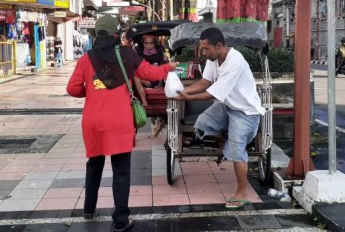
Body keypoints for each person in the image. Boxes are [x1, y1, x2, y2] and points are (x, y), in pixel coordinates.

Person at [66, 15, 177, 232]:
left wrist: (90, 89)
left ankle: (88, 209)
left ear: (97, 33)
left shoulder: (87, 58)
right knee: (121, 170)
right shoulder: (126, 54)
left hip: (93, 121)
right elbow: (151, 73)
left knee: (94, 164)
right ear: (117, 33)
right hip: (118, 120)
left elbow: (72, 88)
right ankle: (120, 221)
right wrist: (169, 67)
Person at [174, 27, 264, 209]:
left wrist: (188, 98)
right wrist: (183, 91)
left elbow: (211, 92)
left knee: (237, 152)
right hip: (227, 106)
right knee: (202, 123)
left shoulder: (235, 62)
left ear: (219, 45)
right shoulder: (214, 59)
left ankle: (242, 193)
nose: (203, 52)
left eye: (206, 49)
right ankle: (224, 143)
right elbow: (205, 82)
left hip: (246, 113)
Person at [134, 35, 167, 136]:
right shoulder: (138, 52)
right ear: (143, 44)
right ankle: (144, 102)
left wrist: (160, 85)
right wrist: (144, 79)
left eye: (151, 43)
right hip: (143, 80)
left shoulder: (160, 52)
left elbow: (162, 68)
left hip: (157, 80)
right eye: (146, 43)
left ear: (154, 44)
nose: (148, 46)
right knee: (135, 76)